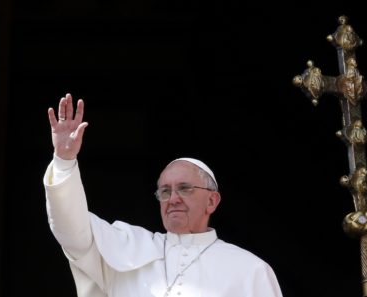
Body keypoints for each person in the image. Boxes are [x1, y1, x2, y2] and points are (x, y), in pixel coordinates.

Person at [43, 93, 284, 297]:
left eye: (185, 188)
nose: (173, 199)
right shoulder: (125, 247)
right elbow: (72, 230)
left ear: (212, 200)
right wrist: (64, 162)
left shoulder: (250, 271)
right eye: (165, 191)